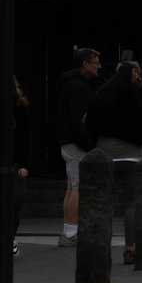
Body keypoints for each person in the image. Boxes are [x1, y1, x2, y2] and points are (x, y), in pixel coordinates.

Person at [85, 61, 142, 263]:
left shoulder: (103, 92)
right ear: (135, 73)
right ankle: (130, 248)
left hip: (105, 154)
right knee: (131, 203)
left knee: (103, 203)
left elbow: (89, 121)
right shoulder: (141, 93)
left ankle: (99, 247)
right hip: (133, 155)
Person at [53, 48, 102, 248]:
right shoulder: (78, 87)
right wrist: (88, 142)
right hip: (76, 143)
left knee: (72, 186)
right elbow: (79, 120)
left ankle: (68, 228)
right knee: (77, 186)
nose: (98, 66)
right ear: (85, 63)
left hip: (69, 141)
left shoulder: (71, 84)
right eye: (95, 62)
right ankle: (72, 231)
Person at [0, 72, 30, 261]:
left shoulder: (20, 108)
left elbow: (26, 137)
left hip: (15, 161)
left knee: (15, 201)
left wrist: (25, 163)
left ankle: (9, 238)